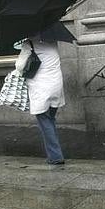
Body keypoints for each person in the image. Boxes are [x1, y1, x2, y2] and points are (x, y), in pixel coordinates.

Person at [15, 36, 65, 165]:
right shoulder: (53, 41)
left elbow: (20, 66)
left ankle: (55, 156)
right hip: (56, 86)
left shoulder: (29, 43)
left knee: (45, 121)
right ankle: (55, 153)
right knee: (50, 119)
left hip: (41, 88)